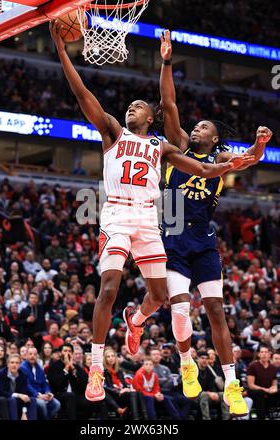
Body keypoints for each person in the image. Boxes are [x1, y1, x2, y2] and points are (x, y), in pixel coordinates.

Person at [50, 20, 249, 403]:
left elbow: (204, 170)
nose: (131, 108)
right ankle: (95, 369)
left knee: (158, 295)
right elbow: (82, 93)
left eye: (138, 106)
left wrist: (229, 166)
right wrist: (61, 51)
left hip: (148, 219)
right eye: (129, 105)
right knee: (108, 287)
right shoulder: (111, 130)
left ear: (151, 119)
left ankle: (135, 320)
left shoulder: (161, 146)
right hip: (116, 215)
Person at [152, 29, 272, 416]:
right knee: (181, 310)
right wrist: (167, 62)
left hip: (203, 240)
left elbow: (251, 160)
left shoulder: (220, 165)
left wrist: (259, 146)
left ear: (215, 138)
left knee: (217, 312)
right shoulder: (178, 146)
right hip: (171, 235)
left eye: (204, 127)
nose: (197, 128)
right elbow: (168, 103)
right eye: (197, 126)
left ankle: (233, 382)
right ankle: (187, 363)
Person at [47, 343, 107, 420]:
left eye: (70, 351)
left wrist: (73, 368)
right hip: (59, 395)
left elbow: (85, 383)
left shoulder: (76, 367)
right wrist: (66, 368)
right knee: (70, 396)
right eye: (65, 351)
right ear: (60, 353)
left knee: (97, 399)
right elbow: (56, 383)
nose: (67, 353)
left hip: (75, 395)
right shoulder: (54, 366)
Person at [103, 347, 146, 420]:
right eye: (108, 356)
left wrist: (127, 389)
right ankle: (136, 418)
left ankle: (144, 417)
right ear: (105, 359)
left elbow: (125, 385)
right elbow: (105, 387)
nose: (111, 358)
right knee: (133, 394)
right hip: (113, 395)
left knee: (139, 393)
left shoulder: (119, 371)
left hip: (123, 393)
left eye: (113, 356)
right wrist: (119, 391)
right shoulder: (103, 371)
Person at [150, 348, 191, 419]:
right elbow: (154, 381)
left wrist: (166, 380)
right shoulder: (148, 368)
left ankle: (182, 418)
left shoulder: (165, 368)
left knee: (188, 401)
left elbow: (172, 382)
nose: (156, 356)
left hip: (170, 391)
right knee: (171, 400)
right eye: (154, 354)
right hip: (158, 392)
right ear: (150, 356)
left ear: (160, 356)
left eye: (158, 354)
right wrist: (166, 380)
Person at [21, 347, 61, 420]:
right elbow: (27, 385)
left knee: (57, 404)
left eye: (35, 354)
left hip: (42, 394)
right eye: (30, 354)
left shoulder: (39, 368)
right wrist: (37, 395)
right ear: (26, 355)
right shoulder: (22, 368)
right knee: (42, 404)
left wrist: (48, 392)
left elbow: (45, 383)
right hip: (31, 395)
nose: (32, 356)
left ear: (37, 356)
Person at [0, 354, 37, 420]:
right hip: (5, 399)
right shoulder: (1, 374)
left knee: (32, 400)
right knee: (13, 400)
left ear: (19, 365)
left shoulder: (23, 375)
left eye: (17, 363)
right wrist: (18, 395)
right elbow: (1, 392)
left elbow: (24, 393)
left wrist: (24, 412)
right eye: (12, 362)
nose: (14, 365)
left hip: (18, 400)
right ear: (8, 364)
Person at [247, 345, 280, 419]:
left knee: (277, 392)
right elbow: (251, 385)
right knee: (260, 393)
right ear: (259, 354)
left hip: (267, 391)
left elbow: (274, 384)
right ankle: (262, 417)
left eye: (266, 352)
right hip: (254, 391)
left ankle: (271, 415)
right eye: (262, 352)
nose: (264, 354)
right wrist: (265, 389)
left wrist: (274, 389)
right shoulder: (252, 366)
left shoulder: (273, 368)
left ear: (269, 354)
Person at [196, 351, 229, 420]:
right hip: (196, 395)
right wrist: (209, 393)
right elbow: (195, 388)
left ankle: (226, 418)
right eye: (202, 358)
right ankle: (206, 418)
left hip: (208, 394)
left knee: (223, 395)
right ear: (197, 359)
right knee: (204, 395)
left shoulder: (209, 370)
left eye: (206, 358)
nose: (204, 360)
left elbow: (212, 385)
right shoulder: (194, 370)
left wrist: (214, 393)